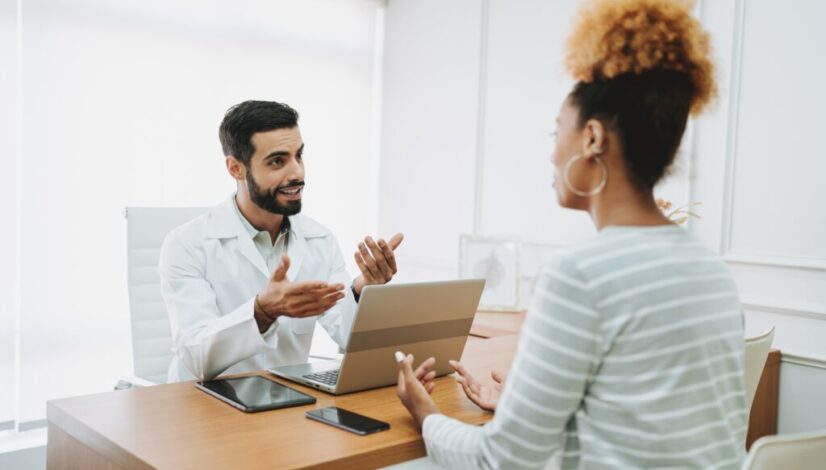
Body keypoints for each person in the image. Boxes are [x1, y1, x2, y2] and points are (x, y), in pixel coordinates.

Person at [396, 0, 747, 467]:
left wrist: (426, 415)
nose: (551, 153)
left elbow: (503, 461)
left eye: (556, 131)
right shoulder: (712, 271)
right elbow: (659, 428)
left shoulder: (580, 275)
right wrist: (528, 411)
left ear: (593, 139)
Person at [159, 100, 403, 382]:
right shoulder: (186, 244)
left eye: (298, 156)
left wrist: (363, 288)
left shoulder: (319, 239)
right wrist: (263, 311)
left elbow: (346, 334)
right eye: (277, 161)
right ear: (236, 168)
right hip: (205, 408)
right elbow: (195, 356)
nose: (297, 173)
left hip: (285, 401)